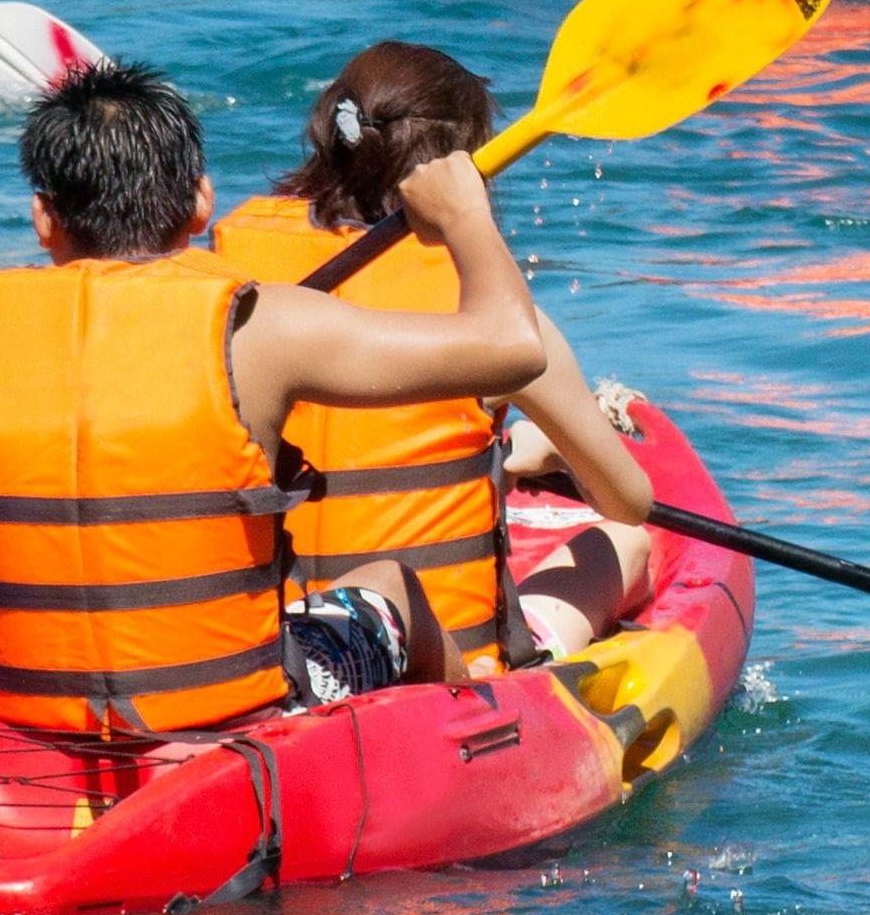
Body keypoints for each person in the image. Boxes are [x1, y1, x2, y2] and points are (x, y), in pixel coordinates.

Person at [0, 63, 550, 734]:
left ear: (44, 218)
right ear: (200, 203)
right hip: (230, 712)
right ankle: (473, 748)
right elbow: (513, 344)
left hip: (28, 723)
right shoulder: (259, 329)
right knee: (389, 587)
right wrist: (463, 214)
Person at [208, 44, 662, 671]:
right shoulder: (500, 326)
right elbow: (627, 497)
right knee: (627, 542)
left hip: (281, 647)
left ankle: (515, 452)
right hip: (438, 661)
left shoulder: (228, 294)